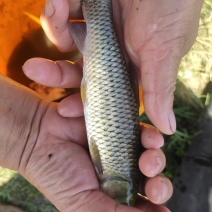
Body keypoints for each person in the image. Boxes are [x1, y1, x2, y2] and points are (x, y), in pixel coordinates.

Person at [0, 0, 203, 211]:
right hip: (102, 74)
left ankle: (97, 10)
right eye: (121, 200)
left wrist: (26, 144)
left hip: (108, 71)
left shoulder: (114, 172)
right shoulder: (106, 169)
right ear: (119, 187)